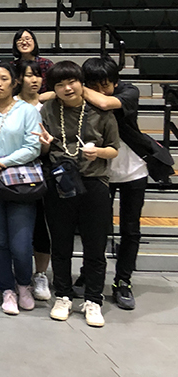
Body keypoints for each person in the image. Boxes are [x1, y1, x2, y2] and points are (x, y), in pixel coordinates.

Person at [82, 56, 173, 311]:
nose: (101, 89)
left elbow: (104, 102)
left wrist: (80, 86)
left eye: (105, 84)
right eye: (94, 84)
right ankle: (89, 274)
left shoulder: (128, 91)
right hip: (100, 170)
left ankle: (123, 280)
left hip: (134, 169)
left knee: (130, 229)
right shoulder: (85, 93)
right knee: (96, 228)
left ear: (115, 81)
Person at [37, 61, 120, 328]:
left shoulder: (100, 110)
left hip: (94, 182)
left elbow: (114, 149)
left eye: (71, 81)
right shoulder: (48, 110)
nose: (66, 88)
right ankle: (63, 295)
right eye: (59, 84)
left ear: (81, 82)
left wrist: (99, 153)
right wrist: (44, 147)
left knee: (95, 246)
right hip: (60, 181)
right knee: (60, 244)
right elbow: (43, 152)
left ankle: (94, 299)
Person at [0, 63, 43, 315]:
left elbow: (33, 147)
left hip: (21, 184)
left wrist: (2, 162)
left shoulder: (27, 111)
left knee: (21, 243)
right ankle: (7, 289)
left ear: (15, 82)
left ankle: (24, 285)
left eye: (4, 78)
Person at [16, 60, 52, 301]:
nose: (34, 80)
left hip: (42, 171)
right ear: (19, 79)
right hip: (15, 172)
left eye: (38, 75)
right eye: (29, 75)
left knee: (41, 227)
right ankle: (18, 277)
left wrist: (47, 146)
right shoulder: (11, 106)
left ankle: (40, 275)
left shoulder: (48, 107)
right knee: (17, 230)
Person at [11, 29, 55, 93]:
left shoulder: (46, 64)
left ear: (34, 42)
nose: (24, 42)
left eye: (27, 39)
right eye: (19, 40)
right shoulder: (12, 66)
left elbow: (56, 88)